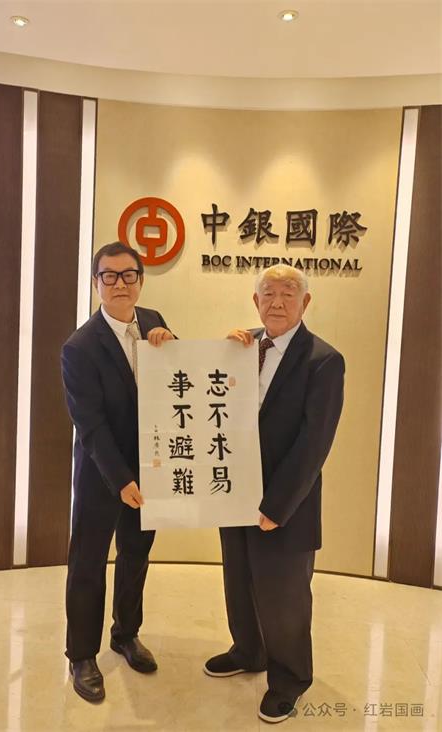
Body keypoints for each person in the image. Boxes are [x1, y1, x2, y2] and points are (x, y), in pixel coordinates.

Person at [204, 264, 344, 724]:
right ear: (256, 301)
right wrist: (220, 355)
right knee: (239, 581)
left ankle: (289, 680)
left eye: (288, 293)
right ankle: (248, 650)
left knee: (284, 598)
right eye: (268, 294)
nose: (277, 302)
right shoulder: (240, 346)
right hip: (234, 495)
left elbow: (314, 443)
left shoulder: (323, 360)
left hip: (287, 504)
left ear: (306, 303)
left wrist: (277, 506)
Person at [61, 241, 174, 702]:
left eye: (128, 275)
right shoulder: (79, 347)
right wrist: (121, 479)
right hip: (102, 473)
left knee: (136, 554)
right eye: (109, 276)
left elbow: (175, 384)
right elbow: (90, 425)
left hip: (151, 467)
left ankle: (126, 633)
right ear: (96, 284)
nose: (119, 284)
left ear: (141, 280)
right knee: (88, 563)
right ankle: (81, 655)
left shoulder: (154, 320)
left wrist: (172, 346)